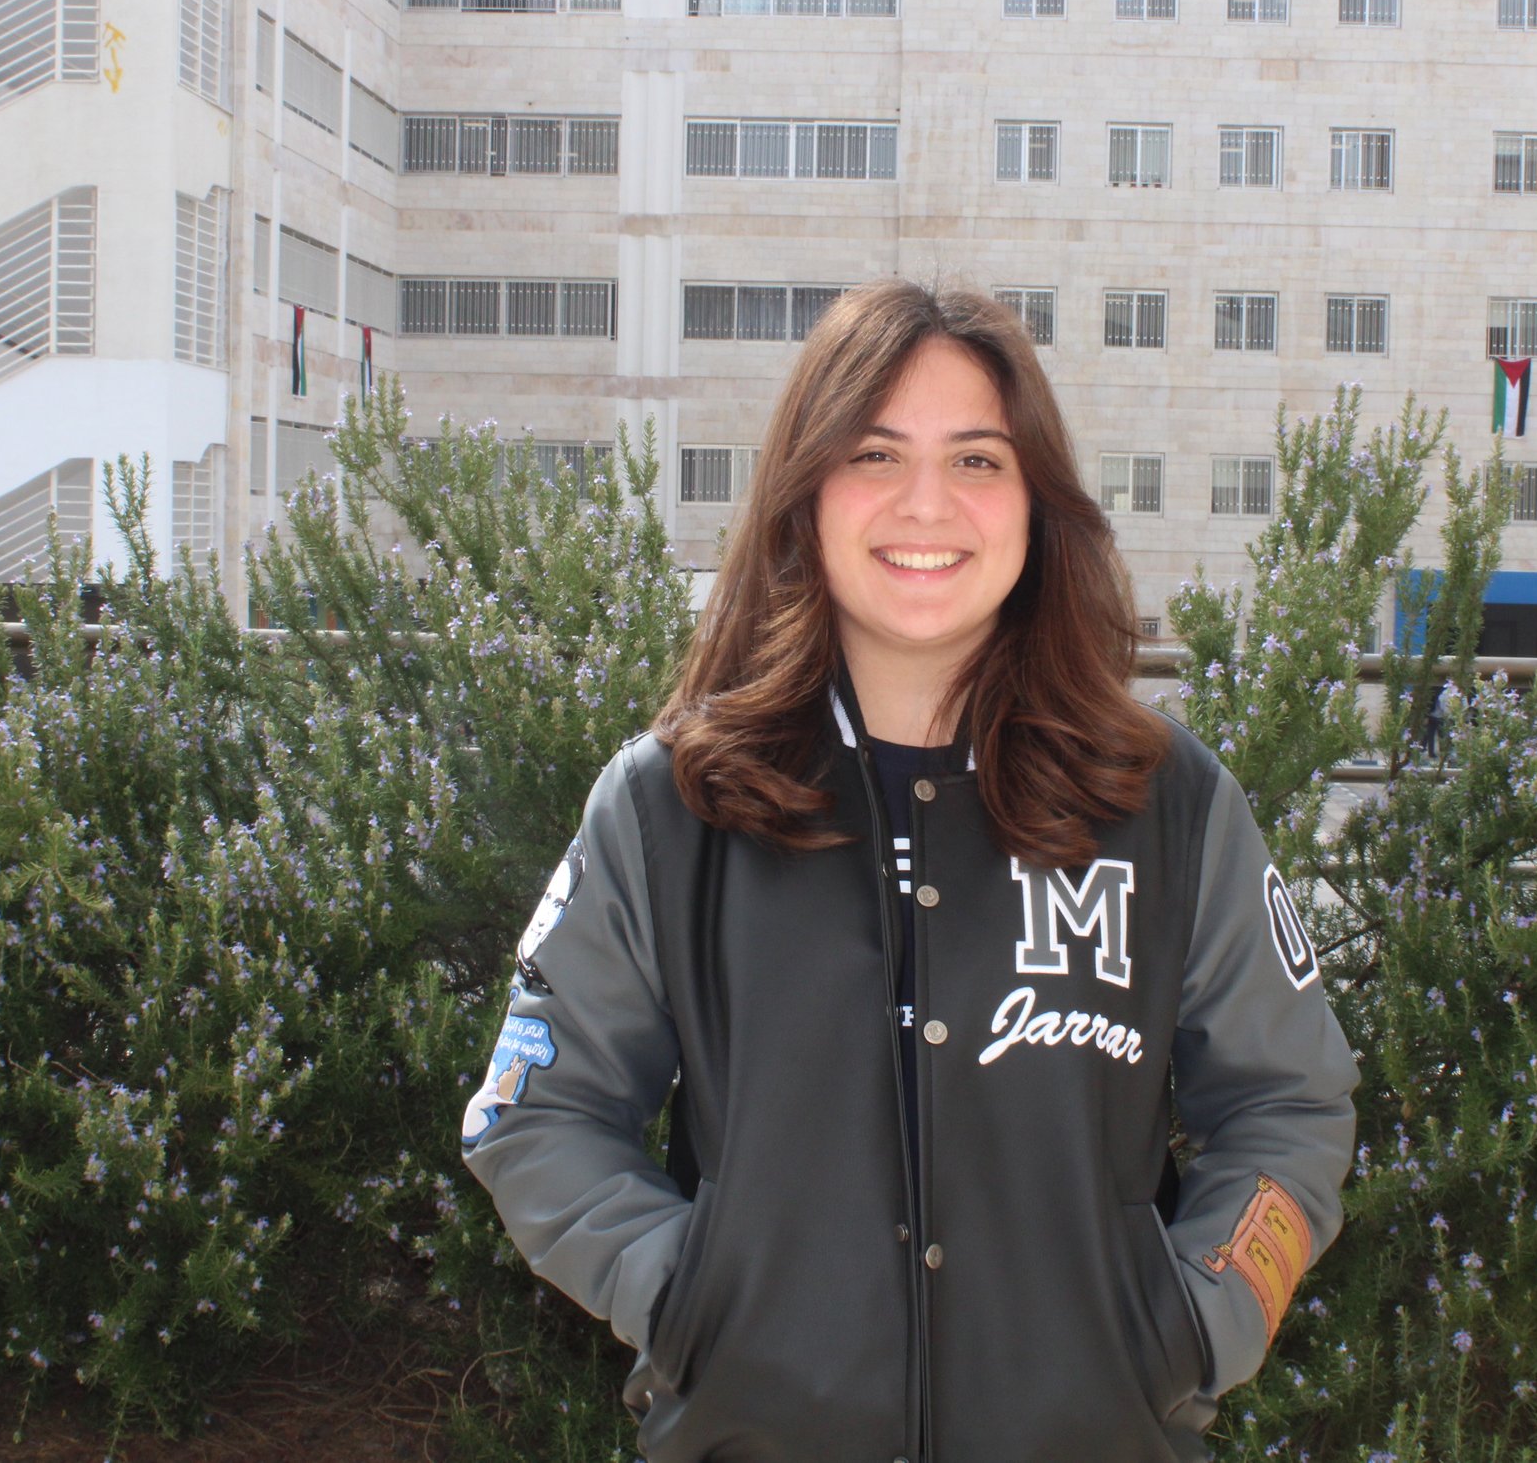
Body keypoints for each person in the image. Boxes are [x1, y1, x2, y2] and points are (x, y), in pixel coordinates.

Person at [460, 279, 1359, 1463]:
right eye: (873, 453)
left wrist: (1191, 1324)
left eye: (977, 459)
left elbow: (1289, 1108)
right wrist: (693, 1303)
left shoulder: (1163, 804)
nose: (926, 502)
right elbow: (538, 1113)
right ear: (804, 492)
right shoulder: (672, 805)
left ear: (1035, 501)